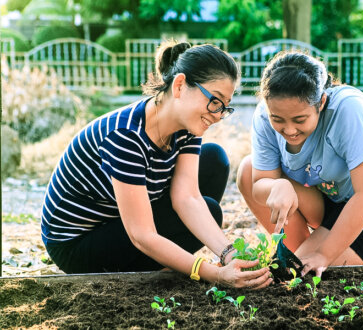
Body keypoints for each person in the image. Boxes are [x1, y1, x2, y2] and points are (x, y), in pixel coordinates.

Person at [41, 41, 272, 289]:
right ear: (180, 85)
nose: (217, 115)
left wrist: (228, 254)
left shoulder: (187, 127)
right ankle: (158, 264)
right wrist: (212, 274)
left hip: (120, 219)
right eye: (214, 101)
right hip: (78, 244)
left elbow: (188, 198)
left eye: (224, 107)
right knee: (211, 211)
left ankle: (162, 262)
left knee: (213, 160)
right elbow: (142, 235)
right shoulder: (125, 135)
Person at [237, 51, 363, 278]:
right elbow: (257, 185)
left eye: (299, 119)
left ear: (321, 102)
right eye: (278, 119)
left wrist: (324, 255)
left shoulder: (348, 109)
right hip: (335, 198)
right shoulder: (265, 117)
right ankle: (306, 252)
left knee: (318, 273)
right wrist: (276, 186)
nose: (289, 130)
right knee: (248, 170)